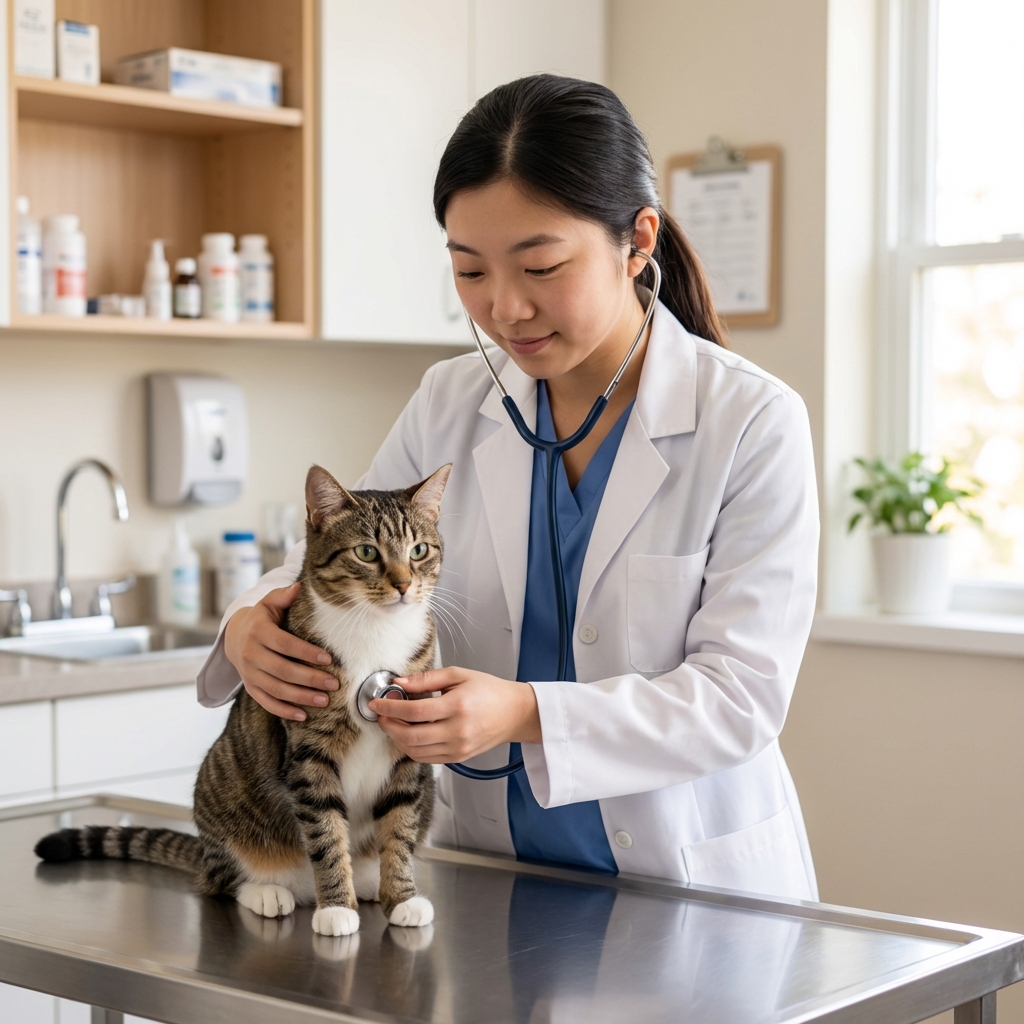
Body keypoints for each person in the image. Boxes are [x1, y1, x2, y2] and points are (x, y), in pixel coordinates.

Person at [197, 75, 819, 899]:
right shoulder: (451, 400)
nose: (506, 308)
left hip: (686, 880)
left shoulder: (750, 421)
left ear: (639, 241)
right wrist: (250, 627)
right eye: (470, 271)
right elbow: (328, 551)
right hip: (491, 874)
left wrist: (525, 714)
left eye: (541, 266)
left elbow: (740, 698)